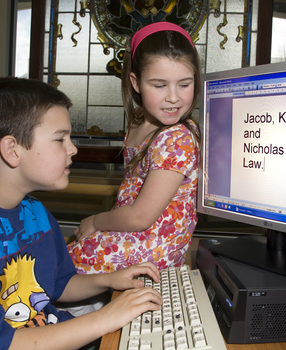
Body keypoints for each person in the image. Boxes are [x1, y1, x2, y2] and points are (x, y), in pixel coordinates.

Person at [0, 77, 162, 350]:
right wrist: (106, 319)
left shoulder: (34, 212)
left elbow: (56, 283)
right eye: (60, 138)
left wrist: (108, 280)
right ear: (12, 150)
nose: (73, 149)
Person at [68, 22, 201, 275]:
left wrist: (96, 220)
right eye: (159, 85)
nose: (173, 97)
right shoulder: (139, 120)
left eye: (184, 84)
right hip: (130, 232)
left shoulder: (177, 138)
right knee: (60, 257)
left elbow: (141, 217)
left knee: (57, 268)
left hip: (151, 247)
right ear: (136, 83)